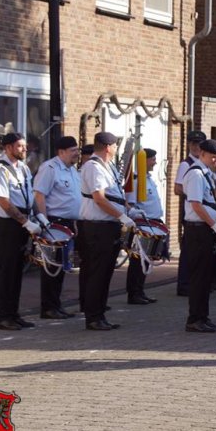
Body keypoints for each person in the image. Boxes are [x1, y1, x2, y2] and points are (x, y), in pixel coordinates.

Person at [78, 131, 134, 331]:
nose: (117, 149)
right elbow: (99, 198)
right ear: (108, 147)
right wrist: (121, 216)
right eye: (116, 146)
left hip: (108, 225)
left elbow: (114, 194)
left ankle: (99, 314)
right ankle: (93, 317)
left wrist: (128, 210)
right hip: (97, 226)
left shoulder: (106, 166)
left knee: (105, 273)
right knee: (97, 273)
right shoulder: (93, 167)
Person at [0, 133, 40, 331]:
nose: (25, 149)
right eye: (20, 146)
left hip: (22, 223)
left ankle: (14, 314)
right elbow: (4, 201)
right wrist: (26, 222)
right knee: (7, 272)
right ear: (8, 148)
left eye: (25, 146)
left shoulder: (24, 168)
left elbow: (29, 195)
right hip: (7, 225)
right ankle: (3, 317)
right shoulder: (0, 168)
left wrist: (38, 216)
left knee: (17, 272)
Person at [181, 139, 216, 332]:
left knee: (206, 277)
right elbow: (196, 205)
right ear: (202, 154)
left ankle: (203, 316)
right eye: (212, 157)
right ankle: (194, 319)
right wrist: (215, 225)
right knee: (199, 277)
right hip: (197, 229)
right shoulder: (196, 175)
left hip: (205, 229)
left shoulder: (207, 174)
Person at [32, 136, 81, 319]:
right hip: (54, 222)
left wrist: (75, 222)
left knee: (61, 266)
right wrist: (45, 223)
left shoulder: (72, 171)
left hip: (67, 224)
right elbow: (39, 196)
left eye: (77, 150)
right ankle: (48, 308)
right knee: (51, 267)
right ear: (61, 152)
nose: (77, 153)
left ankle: (56, 305)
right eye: (73, 150)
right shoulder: (50, 168)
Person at [124, 148, 163, 305]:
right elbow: (130, 205)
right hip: (142, 226)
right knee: (137, 261)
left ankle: (140, 290)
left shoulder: (148, 179)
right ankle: (133, 293)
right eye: (152, 159)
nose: (155, 162)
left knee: (145, 260)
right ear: (143, 161)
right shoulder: (135, 180)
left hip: (152, 224)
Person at [174, 130, 207, 296]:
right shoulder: (186, 164)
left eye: (199, 144)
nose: (195, 146)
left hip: (199, 212)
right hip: (190, 210)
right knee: (188, 250)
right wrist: (194, 194)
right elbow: (177, 188)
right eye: (193, 143)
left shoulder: (202, 164)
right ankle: (184, 284)